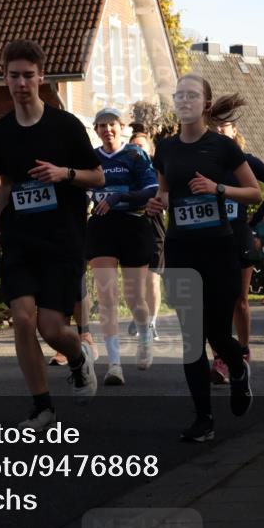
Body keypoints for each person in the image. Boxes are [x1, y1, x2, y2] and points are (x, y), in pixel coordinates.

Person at [0, 40, 101, 430]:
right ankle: (42, 406)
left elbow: (97, 176)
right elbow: (8, 183)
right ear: (5, 78)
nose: (21, 83)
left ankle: (80, 359)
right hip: (19, 238)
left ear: (41, 77)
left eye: (28, 76)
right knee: (21, 318)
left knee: (52, 328)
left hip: (62, 239)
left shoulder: (65, 126)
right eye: (14, 76)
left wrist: (63, 174)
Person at [146, 74, 260, 442]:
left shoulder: (223, 148)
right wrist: (157, 203)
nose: (184, 100)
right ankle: (204, 419)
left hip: (218, 248)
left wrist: (218, 188)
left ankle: (237, 367)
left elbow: (255, 192)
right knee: (192, 336)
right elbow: (165, 193)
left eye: (192, 95)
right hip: (181, 249)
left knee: (216, 332)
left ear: (206, 105)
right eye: (179, 95)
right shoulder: (164, 149)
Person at [84, 108, 158, 385]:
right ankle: (114, 364)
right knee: (106, 296)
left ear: (121, 126)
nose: (107, 130)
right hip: (101, 227)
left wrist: (119, 196)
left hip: (132, 224)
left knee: (134, 297)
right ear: (96, 130)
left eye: (111, 124)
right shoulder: (91, 157)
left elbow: (152, 189)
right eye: (101, 125)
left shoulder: (135, 155)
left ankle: (145, 334)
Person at [212, 120, 264, 374]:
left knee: (239, 299)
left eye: (225, 125)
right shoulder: (205, 160)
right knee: (214, 300)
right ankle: (221, 357)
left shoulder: (245, 161)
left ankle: (242, 350)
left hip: (239, 233)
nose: (220, 129)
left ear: (235, 130)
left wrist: (255, 218)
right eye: (215, 125)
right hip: (211, 235)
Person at [129, 132, 165, 342]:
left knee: (153, 279)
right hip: (132, 226)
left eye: (141, 147)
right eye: (133, 147)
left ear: (150, 150)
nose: (137, 151)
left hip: (154, 227)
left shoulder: (159, 170)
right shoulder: (125, 171)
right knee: (135, 281)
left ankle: (151, 322)